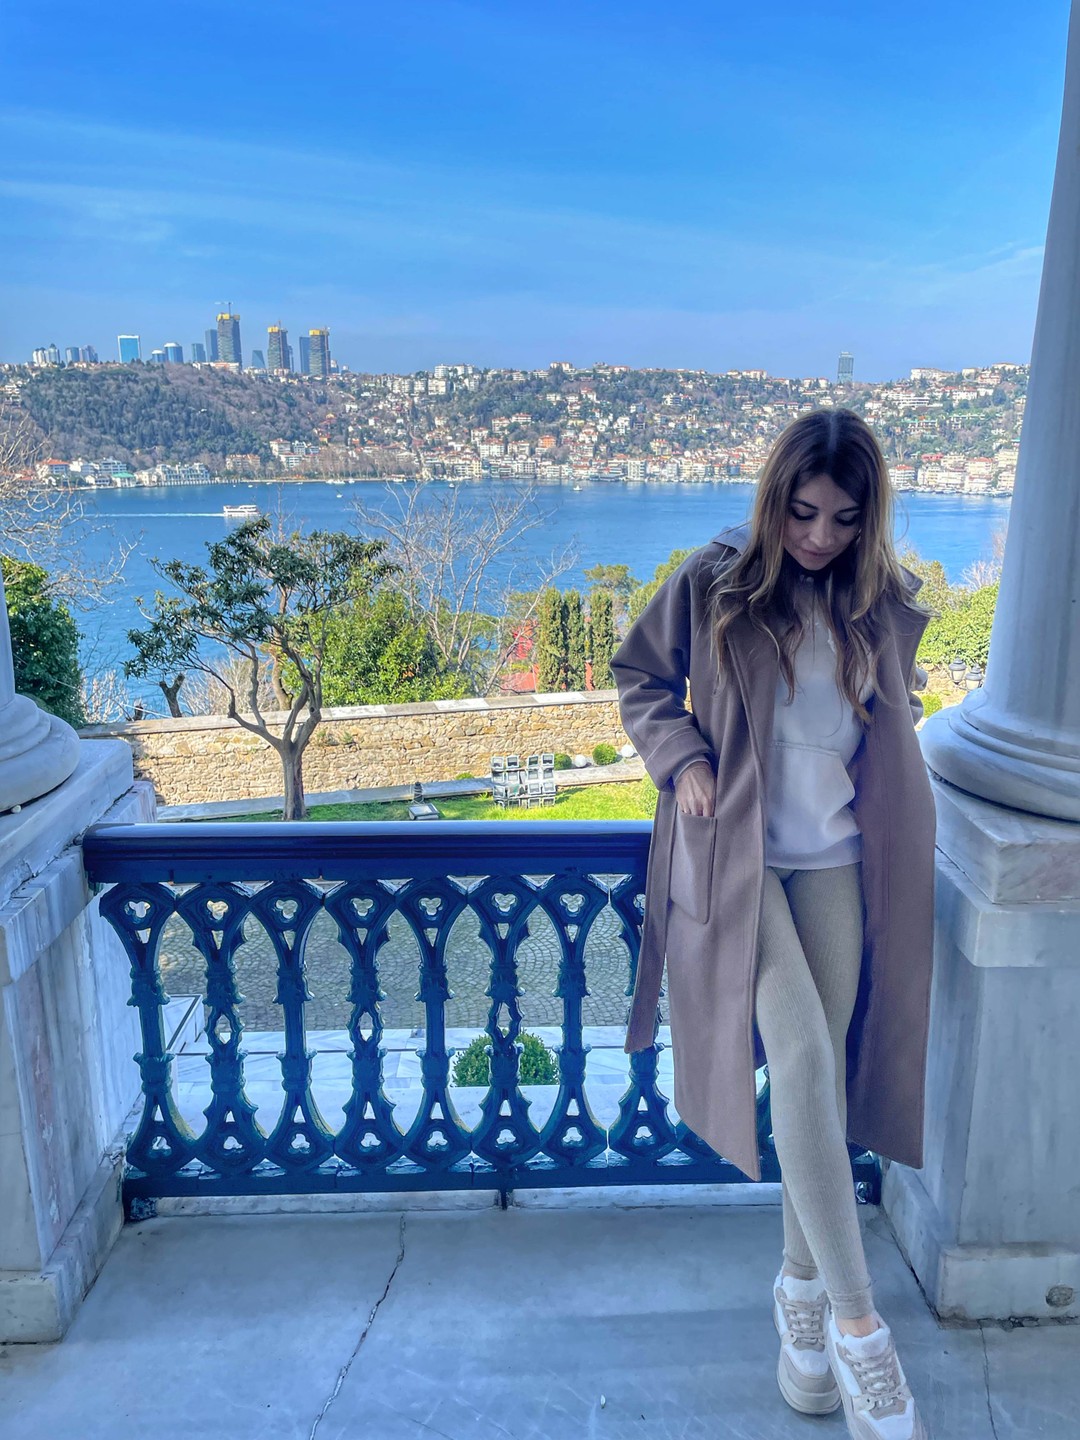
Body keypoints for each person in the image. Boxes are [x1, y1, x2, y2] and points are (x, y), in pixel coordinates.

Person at [611, 408, 935, 1440]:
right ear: (772, 500)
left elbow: (887, 726)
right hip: (736, 856)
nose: (819, 536)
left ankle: (798, 1296)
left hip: (837, 856)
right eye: (802, 512)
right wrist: (682, 758)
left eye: (843, 518)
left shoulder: (880, 604)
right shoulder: (714, 581)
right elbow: (639, 678)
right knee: (796, 1050)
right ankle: (859, 1329)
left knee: (822, 1079)